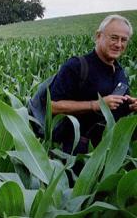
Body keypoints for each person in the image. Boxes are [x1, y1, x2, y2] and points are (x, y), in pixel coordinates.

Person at [50, 14, 137, 155]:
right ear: (98, 36)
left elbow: (115, 107)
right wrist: (97, 105)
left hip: (109, 151)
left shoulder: (120, 70)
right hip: (77, 153)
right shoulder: (77, 66)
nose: (119, 44)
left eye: (124, 40)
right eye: (114, 38)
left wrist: (131, 105)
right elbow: (52, 106)